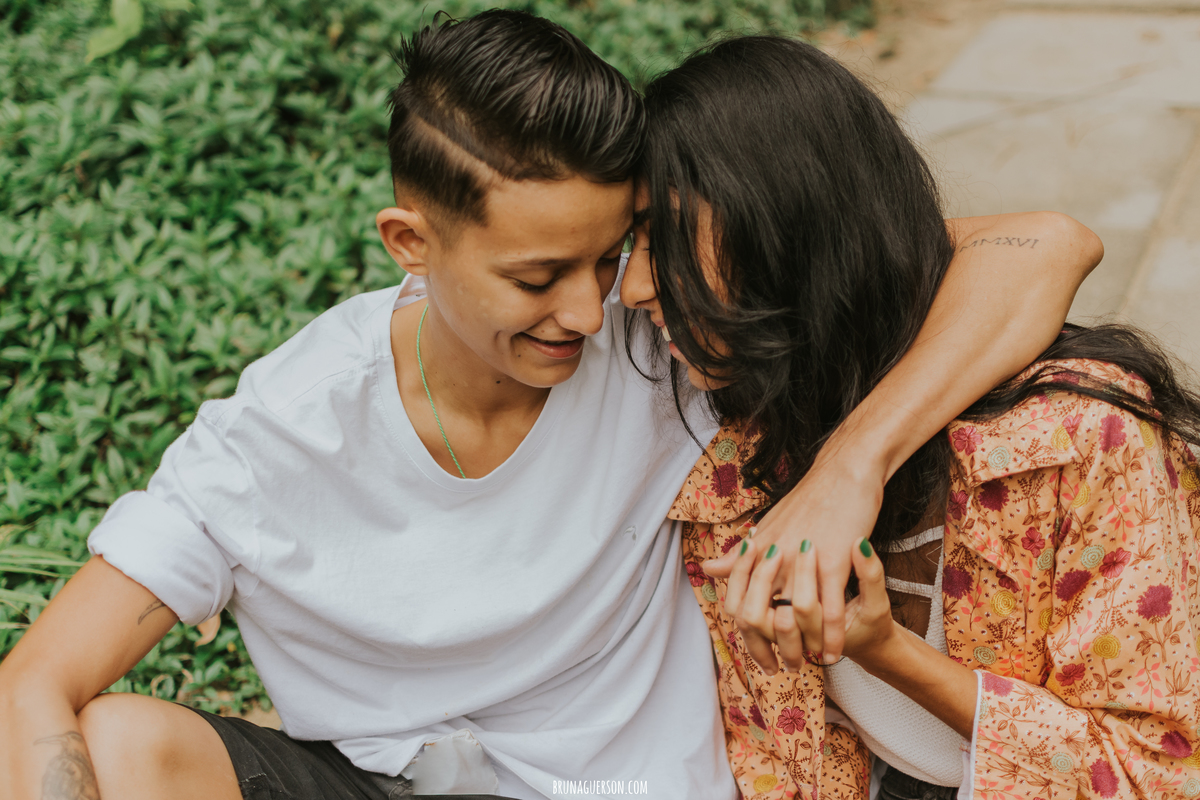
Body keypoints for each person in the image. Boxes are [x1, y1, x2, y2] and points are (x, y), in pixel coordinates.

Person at [0, 12, 1102, 800]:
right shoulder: (285, 434)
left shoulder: (662, 335)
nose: (590, 308)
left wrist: (847, 464)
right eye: (537, 277)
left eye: (612, 253)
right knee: (119, 744)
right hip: (391, 781)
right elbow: (38, 679)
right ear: (411, 245)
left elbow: (1045, 246)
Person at [621, 33, 1200, 799]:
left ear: (783, 225)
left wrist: (883, 649)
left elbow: (1158, 775)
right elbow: (774, 759)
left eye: (660, 235)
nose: (631, 287)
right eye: (629, 241)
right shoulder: (729, 457)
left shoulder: (1078, 446)